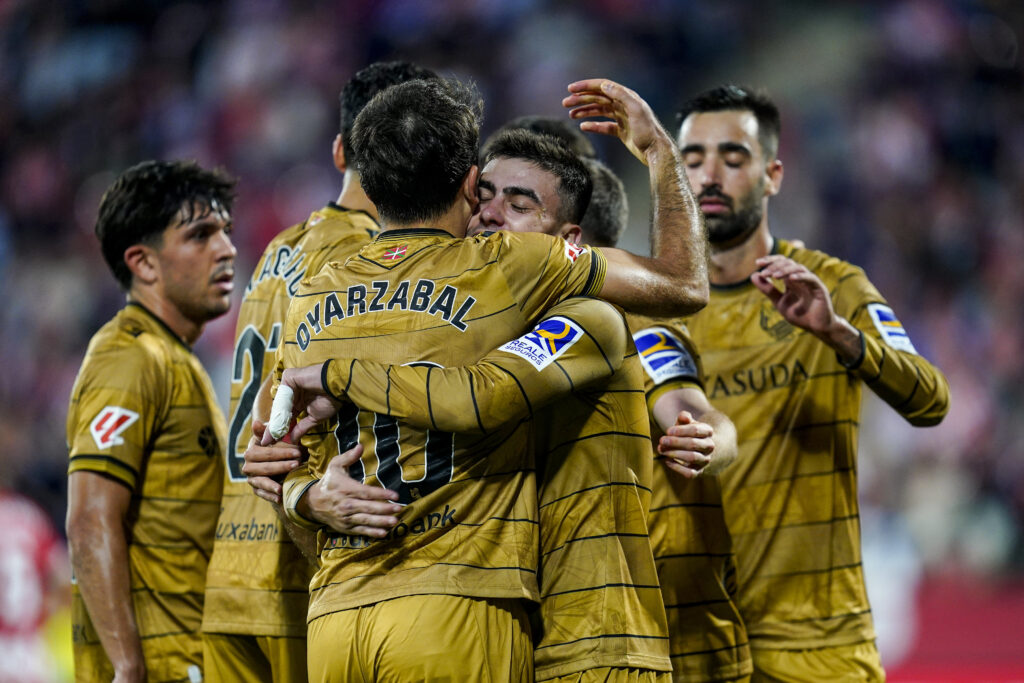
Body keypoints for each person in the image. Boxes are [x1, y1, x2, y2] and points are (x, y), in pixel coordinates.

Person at [262, 75, 705, 682]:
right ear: (468, 187)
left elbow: (479, 395)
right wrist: (306, 495)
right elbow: (275, 461)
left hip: (585, 640)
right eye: (489, 196)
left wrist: (334, 390)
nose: (493, 215)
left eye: (519, 205)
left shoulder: (316, 290)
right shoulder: (497, 276)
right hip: (461, 610)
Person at [675, 85, 950, 680]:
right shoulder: (654, 311)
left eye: (733, 157)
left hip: (821, 648)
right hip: (700, 649)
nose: (710, 175)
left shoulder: (834, 286)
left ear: (773, 174)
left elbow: (931, 400)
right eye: (692, 160)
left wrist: (839, 334)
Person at [200, 60, 437, 683]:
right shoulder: (371, 259)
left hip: (231, 570)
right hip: (303, 566)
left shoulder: (278, 248)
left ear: (339, 151)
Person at [66, 160, 236, 682]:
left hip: (188, 657)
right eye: (201, 235)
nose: (227, 249)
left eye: (226, 232)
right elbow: (90, 517)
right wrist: (127, 667)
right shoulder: (130, 357)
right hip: (160, 666)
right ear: (143, 263)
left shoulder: (175, 358)